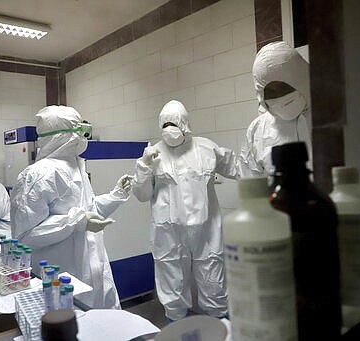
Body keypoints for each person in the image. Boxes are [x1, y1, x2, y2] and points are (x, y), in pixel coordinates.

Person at [10, 105, 131, 310]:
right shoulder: (36, 175)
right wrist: (76, 221)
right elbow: (25, 236)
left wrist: (116, 196)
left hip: (95, 270)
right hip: (63, 277)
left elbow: (88, 211)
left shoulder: (77, 166)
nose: (83, 136)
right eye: (78, 130)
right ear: (61, 136)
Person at [131, 100, 239, 322]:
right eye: (166, 124)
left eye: (175, 123)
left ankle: (221, 327)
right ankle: (179, 328)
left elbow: (237, 168)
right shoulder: (152, 154)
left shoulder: (206, 148)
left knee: (213, 283)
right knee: (172, 287)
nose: (170, 129)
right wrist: (143, 166)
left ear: (186, 124)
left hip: (206, 230)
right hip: (169, 233)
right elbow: (141, 195)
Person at [238, 41, 312, 177]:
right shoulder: (257, 130)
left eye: (284, 86)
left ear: (301, 79)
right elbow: (251, 185)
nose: (279, 96)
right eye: (271, 91)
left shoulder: (333, 115)